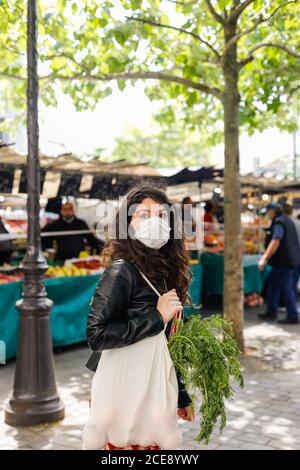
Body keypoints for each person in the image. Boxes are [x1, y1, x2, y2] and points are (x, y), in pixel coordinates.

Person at [82, 184, 193, 450]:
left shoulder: (168, 273)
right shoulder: (121, 271)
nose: (154, 221)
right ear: (128, 224)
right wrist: (156, 317)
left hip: (154, 390)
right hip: (124, 392)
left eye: (161, 215)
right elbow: (96, 335)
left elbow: (167, 344)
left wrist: (180, 395)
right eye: (144, 215)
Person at [258, 202, 300, 324]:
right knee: (274, 286)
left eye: (269, 211)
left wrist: (264, 257)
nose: (268, 214)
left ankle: (293, 315)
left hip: (284, 262)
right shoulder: (287, 220)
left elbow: (276, 240)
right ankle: (271, 312)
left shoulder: (279, 222)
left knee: (286, 288)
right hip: (286, 261)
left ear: (273, 211)